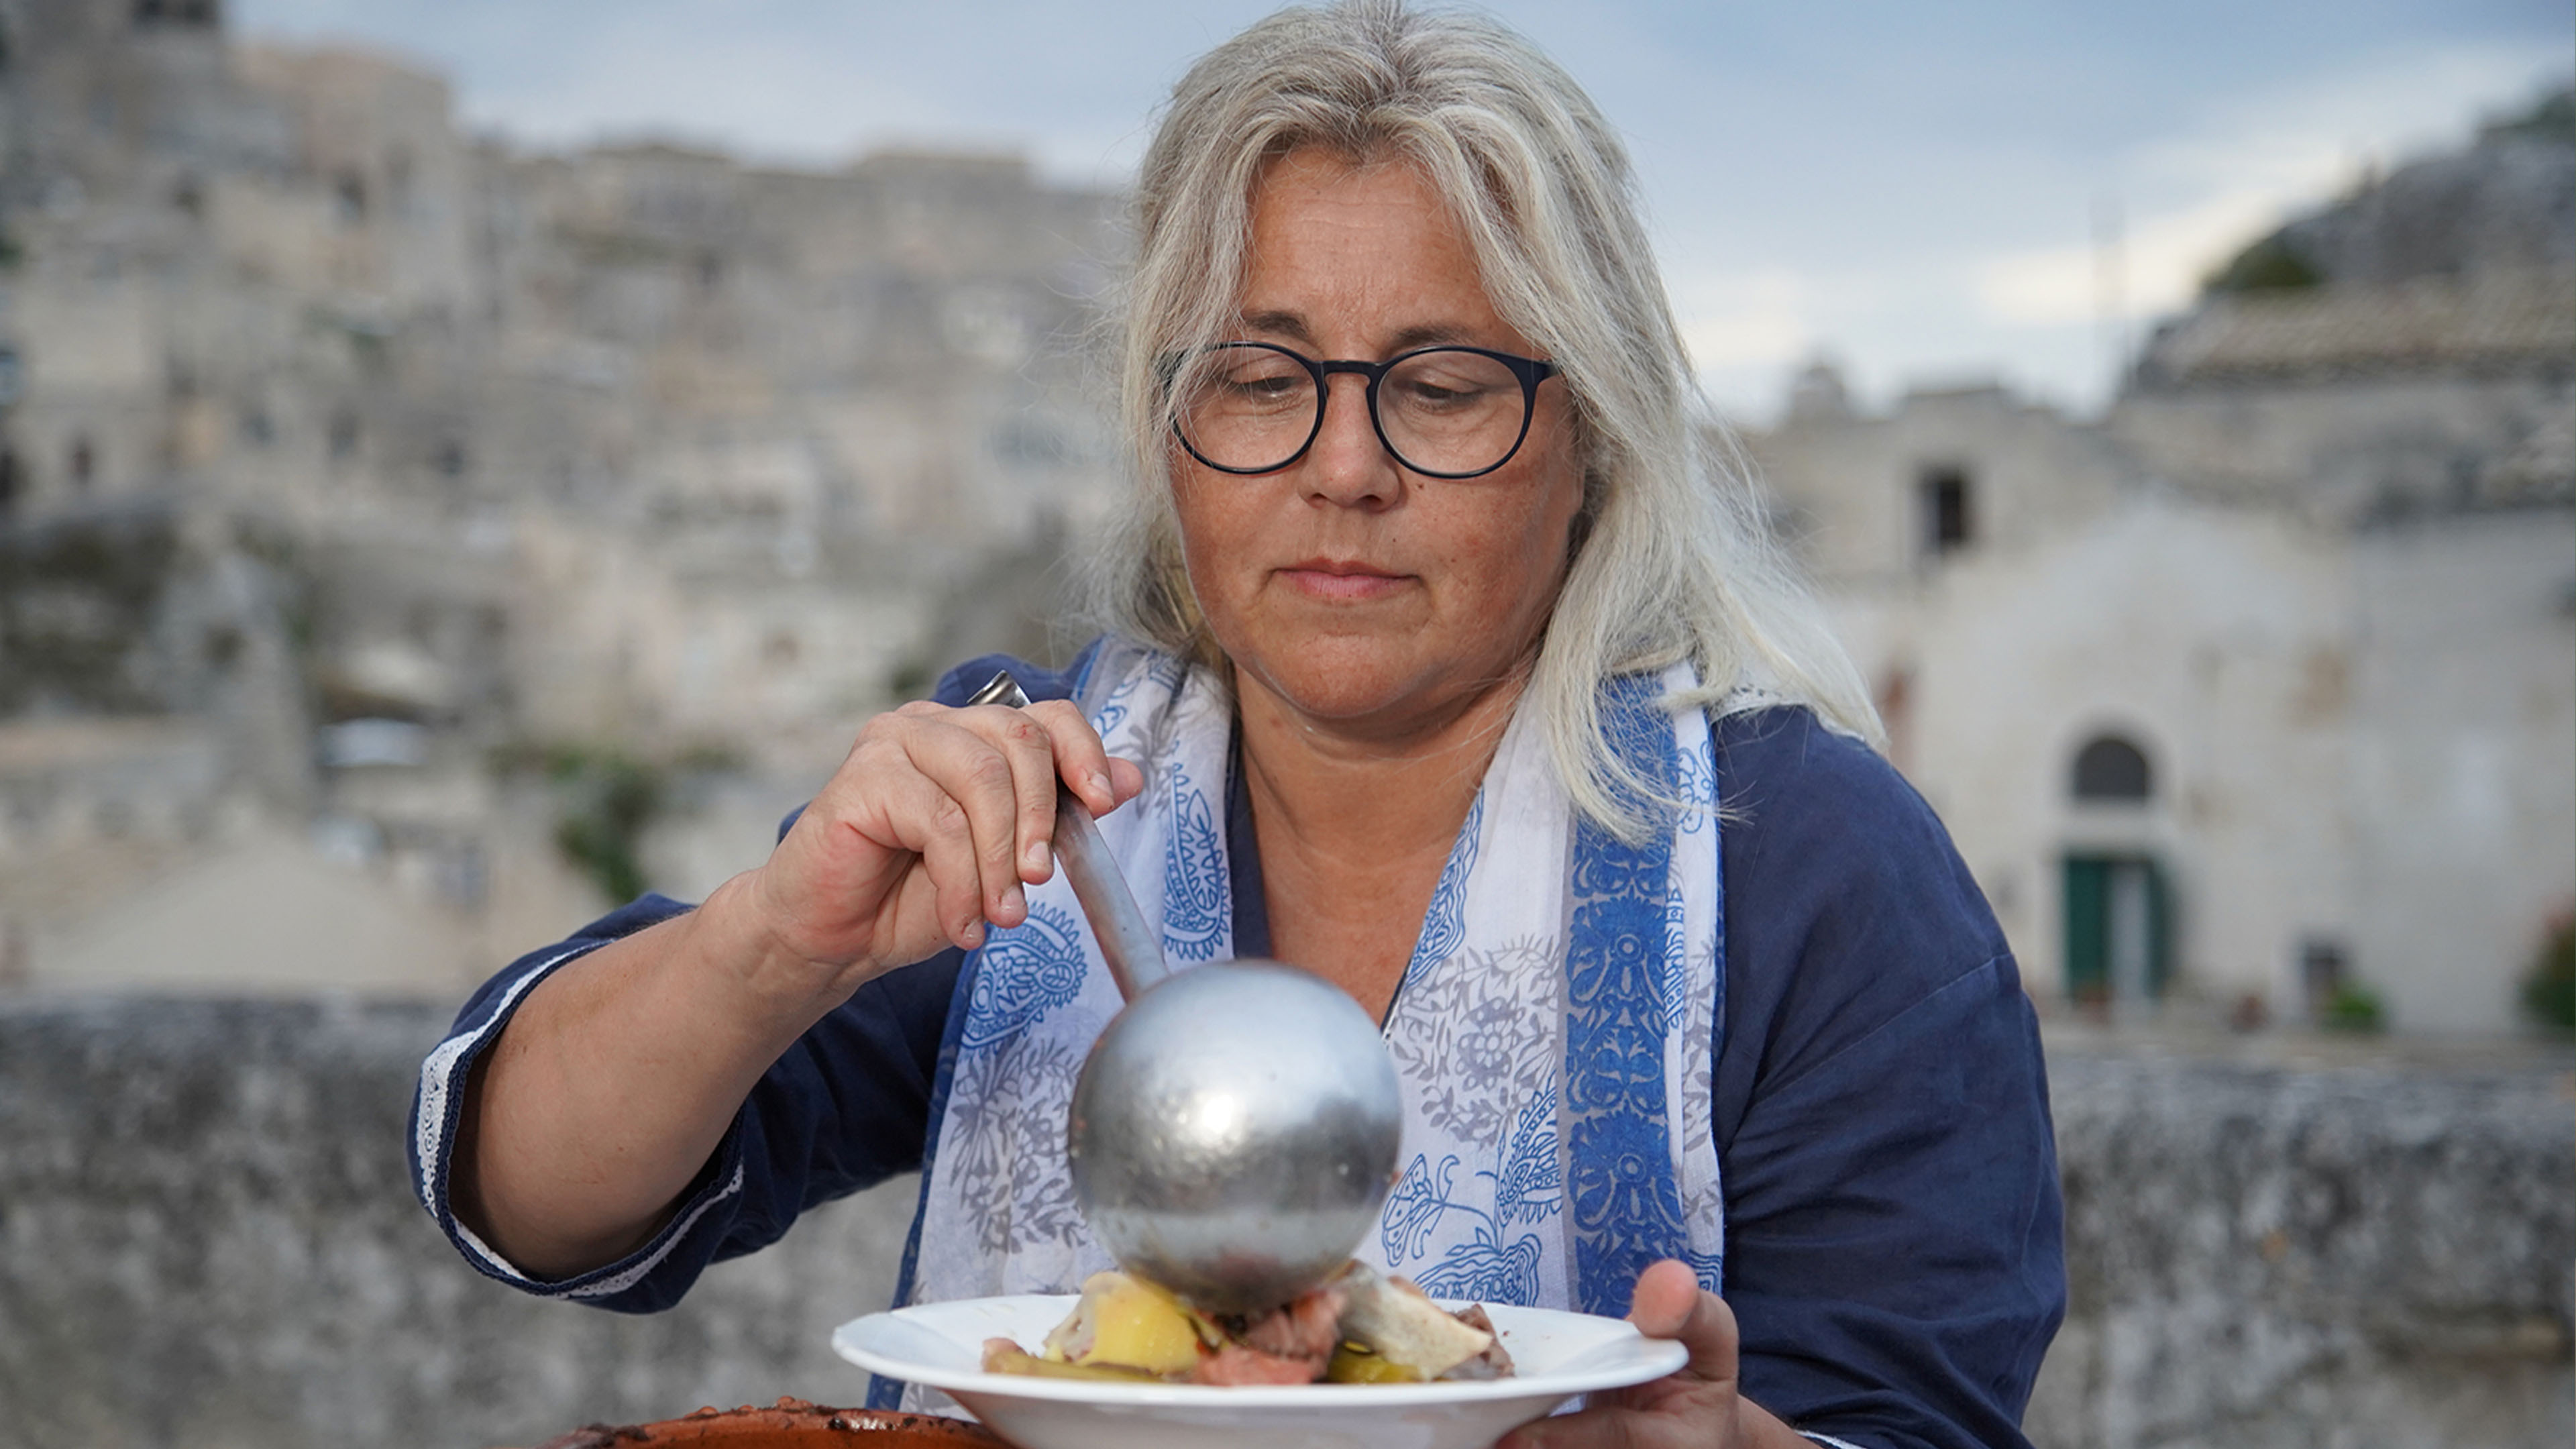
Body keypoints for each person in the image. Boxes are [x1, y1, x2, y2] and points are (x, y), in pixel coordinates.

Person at [410, 3, 2063, 1445]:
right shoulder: (1032, 797)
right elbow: (530, 1200)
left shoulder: (1814, 871)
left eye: (1442, 383)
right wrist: (775, 944)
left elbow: (1914, 1414)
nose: (1346, 469)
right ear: (1169, 426)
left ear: (1598, 446)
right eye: (1263, 380)